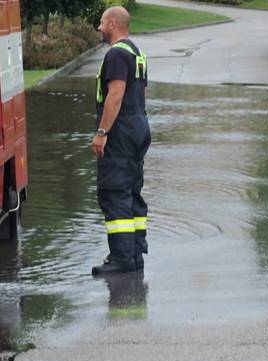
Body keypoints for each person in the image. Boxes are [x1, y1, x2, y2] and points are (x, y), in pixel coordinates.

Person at [91, 6, 151, 276]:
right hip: (138, 125)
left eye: (102, 23)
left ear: (113, 23)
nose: (99, 28)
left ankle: (122, 259)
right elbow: (143, 93)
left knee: (115, 191)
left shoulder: (115, 54)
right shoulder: (137, 53)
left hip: (121, 130)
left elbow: (115, 94)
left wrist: (102, 132)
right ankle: (135, 254)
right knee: (132, 190)